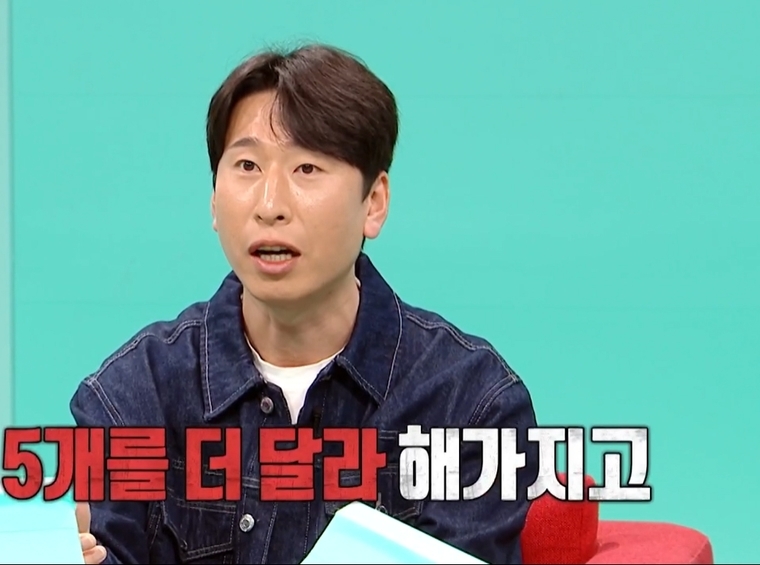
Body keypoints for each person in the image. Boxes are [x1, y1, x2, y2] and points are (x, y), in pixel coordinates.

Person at [71, 43, 540, 564]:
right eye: (247, 165)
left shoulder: (469, 405)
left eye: (308, 169)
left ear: (374, 203)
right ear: (213, 200)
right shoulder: (136, 395)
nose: (270, 205)